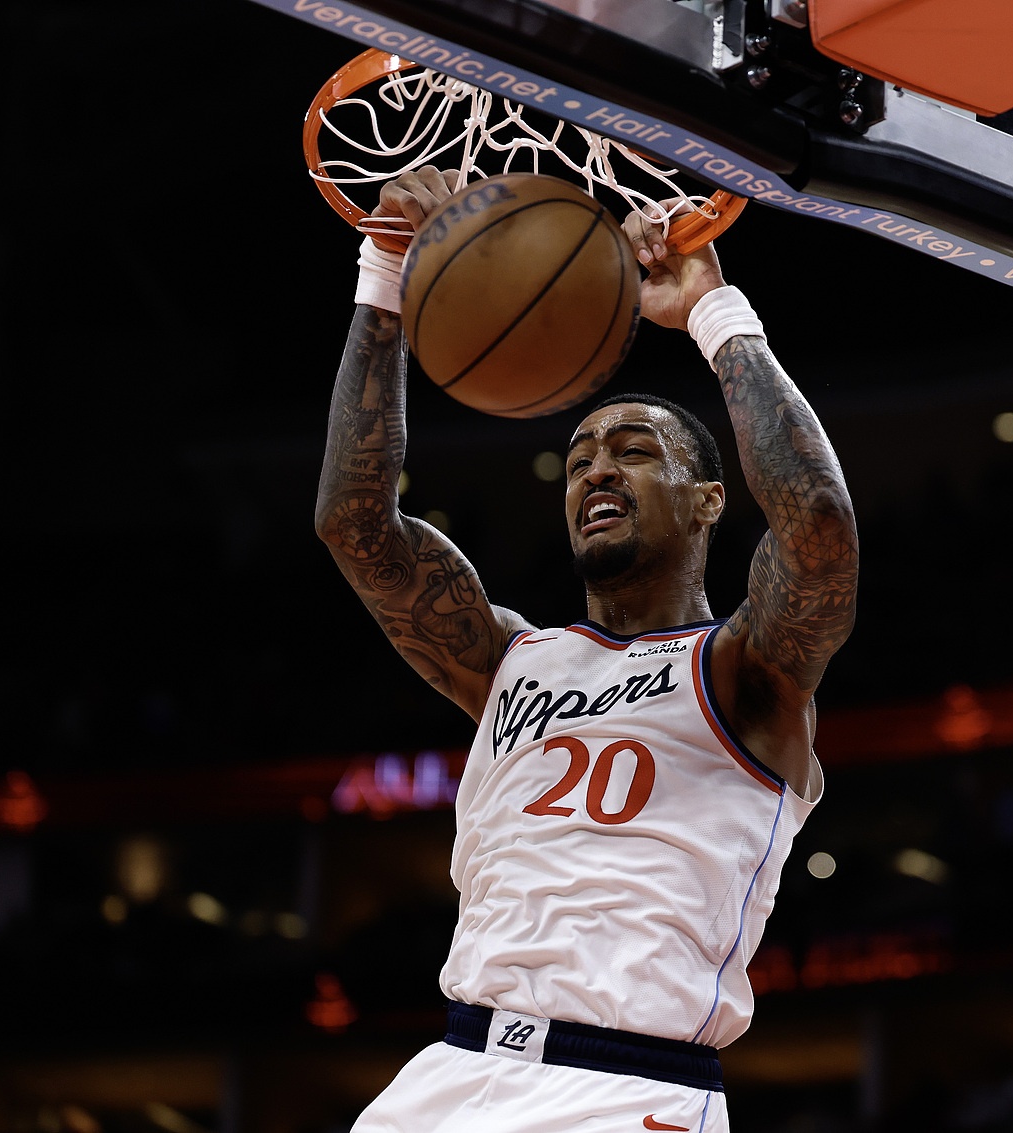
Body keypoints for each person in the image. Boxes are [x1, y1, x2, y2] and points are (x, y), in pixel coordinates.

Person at [315, 166, 859, 1132]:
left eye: (634, 451)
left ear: (708, 500)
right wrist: (387, 269)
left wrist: (713, 313)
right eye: (578, 460)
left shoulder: (745, 673)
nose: (598, 468)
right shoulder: (508, 658)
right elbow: (354, 523)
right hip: (455, 1068)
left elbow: (818, 523)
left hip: (626, 1088)